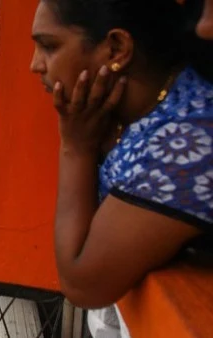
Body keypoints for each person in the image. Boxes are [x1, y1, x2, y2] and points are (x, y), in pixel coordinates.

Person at [30, 0, 213, 334]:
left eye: (49, 46)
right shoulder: (150, 108)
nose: (35, 65)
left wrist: (75, 147)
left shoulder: (186, 141)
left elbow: (82, 281)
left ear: (116, 49)